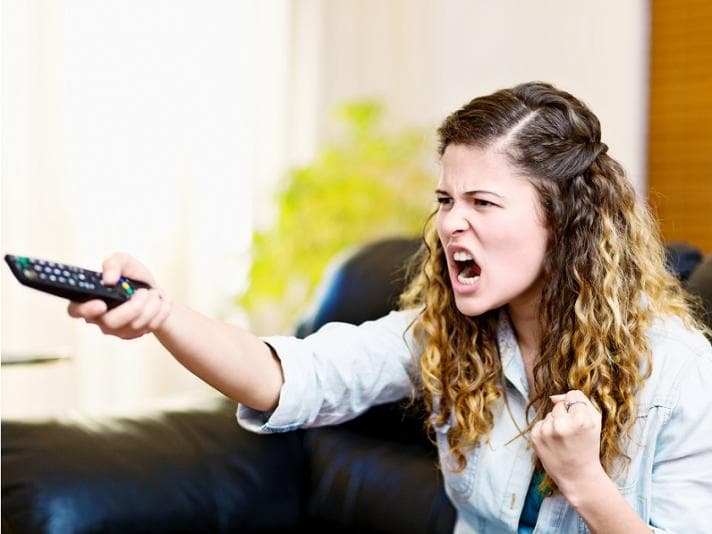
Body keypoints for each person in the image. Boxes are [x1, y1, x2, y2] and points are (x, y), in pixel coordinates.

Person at [68, 82, 712, 533]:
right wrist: (161, 314)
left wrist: (585, 483)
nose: (451, 224)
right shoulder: (449, 335)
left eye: (482, 203)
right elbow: (289, 375)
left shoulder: (679, 372)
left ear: (567, 223)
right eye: (445, 200)